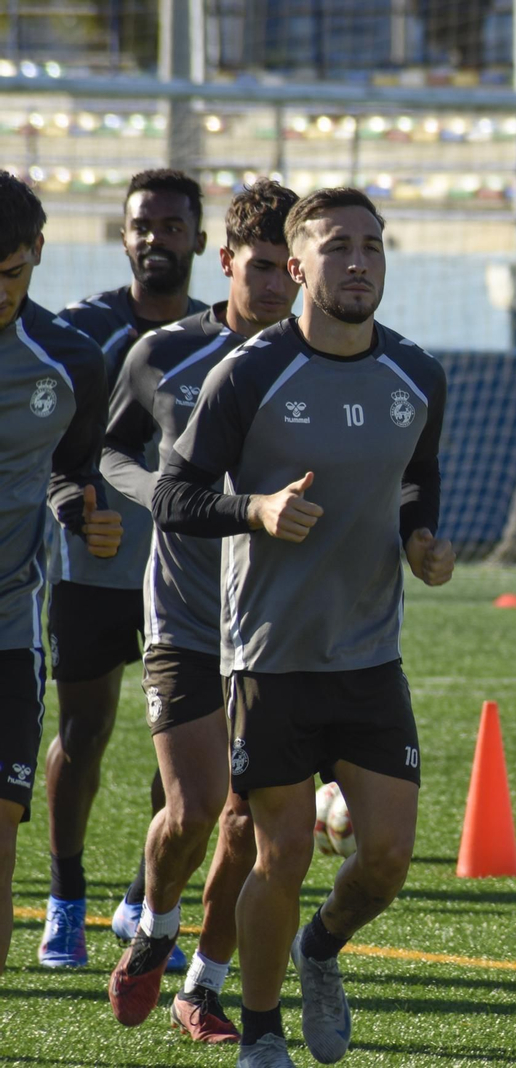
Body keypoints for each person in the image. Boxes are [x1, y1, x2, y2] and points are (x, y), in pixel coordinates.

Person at [151, 186, 453, 1068]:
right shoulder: (248, 372)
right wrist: (255, 509)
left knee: (389, 856)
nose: (358, 261)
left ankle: (320, 949)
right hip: (269, 656)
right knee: (278, 850)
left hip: (369, 654)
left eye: (372, 245)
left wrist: (421, 539)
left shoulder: (417, 374)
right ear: (298, 266)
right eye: (336, 247)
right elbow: (174, 496)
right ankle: (260, 1036)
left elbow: (417, 476)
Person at [103, 178, 300, 1042]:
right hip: (184, 610)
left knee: (246, 820)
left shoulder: (320, 362)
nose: (273, 287)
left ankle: (203, 986)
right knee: (192, 809)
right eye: (257, 268)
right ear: (224, 263)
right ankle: (151, 928)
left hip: (274, 619)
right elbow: (108, 451)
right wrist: (162, 494)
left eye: (285, 270)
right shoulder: (163, 356)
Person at [38, 168, 207, 970]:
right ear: (124, 235)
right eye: (143, 225)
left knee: (180, 747)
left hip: (184, 574)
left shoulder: (214, 342)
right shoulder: (86, 331)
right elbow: (50, 442)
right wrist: (74, 509)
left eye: (172, 226)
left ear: (201, 242)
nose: (156, 238)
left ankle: (144, 901)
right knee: (85, 732)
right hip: (92, 566)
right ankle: (65, 900)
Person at [0, 171, 123, 972]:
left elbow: (69, 474)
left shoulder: (72, 364)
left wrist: (85, 512)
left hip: (8, 628)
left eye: (8, 274)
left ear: (38, 253)